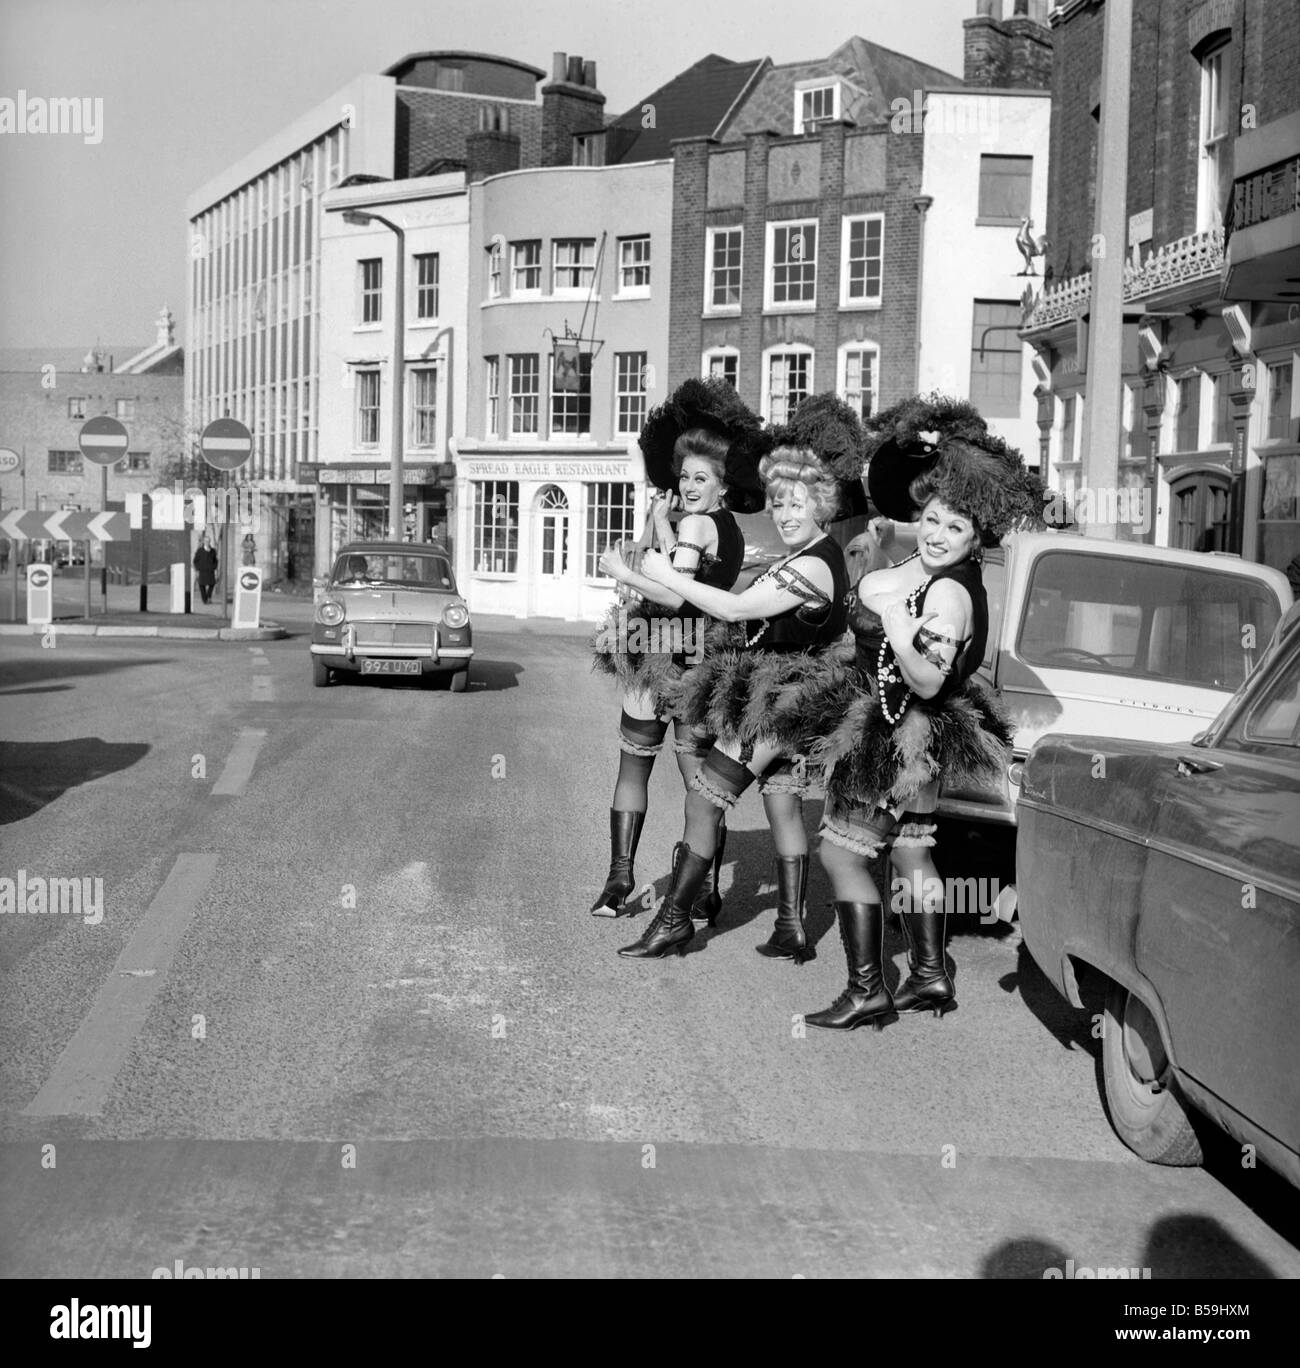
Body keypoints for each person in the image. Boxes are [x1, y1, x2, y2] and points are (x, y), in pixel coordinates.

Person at [794, 396, 1042, 1031]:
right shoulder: (943, 570)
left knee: (843, 856)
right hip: (914, 735)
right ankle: (930, 975)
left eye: (954, 527)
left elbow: (928, 678)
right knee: (909, 851)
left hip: (898, 730)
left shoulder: (951, 594)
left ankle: (867, 988)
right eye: (931, 519)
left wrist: (900, 630)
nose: (936, 533)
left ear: (976, 537)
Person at [614, 394, 860, 961]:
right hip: (799, 698)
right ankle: (792, 927)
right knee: (782, 805)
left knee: (704, 800)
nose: (785, 514)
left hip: (776, 704)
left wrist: (656, 568)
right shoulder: (821, 555)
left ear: (821, 505)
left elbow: (733, 610)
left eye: (797, 505)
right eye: (778, 504)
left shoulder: (813, 563)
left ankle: (676, 922)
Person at [590, 378, 767, 922]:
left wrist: (620, 569)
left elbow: (669, 592)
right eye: (685, 475)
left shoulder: (696, 522)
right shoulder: (724, 529)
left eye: (701, 477)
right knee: (699, 786)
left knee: (635, 770)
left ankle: (620, 882)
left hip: (670, 651)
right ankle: (704, 886)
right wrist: (658, 522)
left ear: (722, 486)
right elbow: (677, 568)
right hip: (704, 657)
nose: (689, 484)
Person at [193, 533, 218, 605]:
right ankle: (205, 599)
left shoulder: (213, 550)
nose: (207, 542)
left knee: (212, 584)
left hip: (210, 571)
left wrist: (214, 567)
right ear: (204, 542)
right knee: (201, 585)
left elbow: (215, 560)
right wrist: (198, 568)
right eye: (206, 541)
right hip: (202, 571)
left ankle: (208, 596)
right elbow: (195, 560)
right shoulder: (200, 550)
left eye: (208, 541)